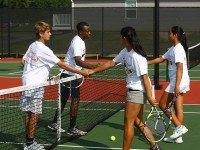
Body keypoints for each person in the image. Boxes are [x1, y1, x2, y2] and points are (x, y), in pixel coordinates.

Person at [89, 26, 161, 150]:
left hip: (137, 91)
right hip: (138, 91)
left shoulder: (136, 56)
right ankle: (154, 146)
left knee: (129, 123)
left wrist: (149, 96)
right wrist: (93, 71)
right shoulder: (125, 52)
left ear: (123, 38)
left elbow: (145, 77)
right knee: (138, 122)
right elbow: (111, 63)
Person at [20, 21, 89, 150]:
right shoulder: (44, 49)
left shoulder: (32, 45)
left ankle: (28, 141)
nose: (50, 34)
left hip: (25, 83)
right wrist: (81, 72)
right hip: (35, 86)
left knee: (29, 113)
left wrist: (41, 75)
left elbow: (23, 61)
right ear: (41, 34)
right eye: (48, 32)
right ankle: (30, 144)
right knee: (35, 113)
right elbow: (62, 65)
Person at [48, 22, 98, 136]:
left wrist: (80, 75)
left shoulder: (80, 41)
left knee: (64, 99)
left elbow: (78, 63)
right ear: (81, 32)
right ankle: (72, 128)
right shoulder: (77, 42)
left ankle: (55, 123)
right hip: (69, 75)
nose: (89, 33)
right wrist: (93, 67)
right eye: (87, 31)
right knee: (75, 100)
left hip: (70, 75)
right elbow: (78, 61)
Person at [148, 26, 190, 143]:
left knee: (162, 104)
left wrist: (176, 86)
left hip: (178, 81)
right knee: (178, 108)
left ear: (175, 35)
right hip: (181, 81)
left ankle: (179, 127)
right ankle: (178, 136)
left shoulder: (177, 49)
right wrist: (147, 62)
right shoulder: (173, 48)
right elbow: (161, 59)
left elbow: (180, 69)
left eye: (169, 33)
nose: (168, 35)